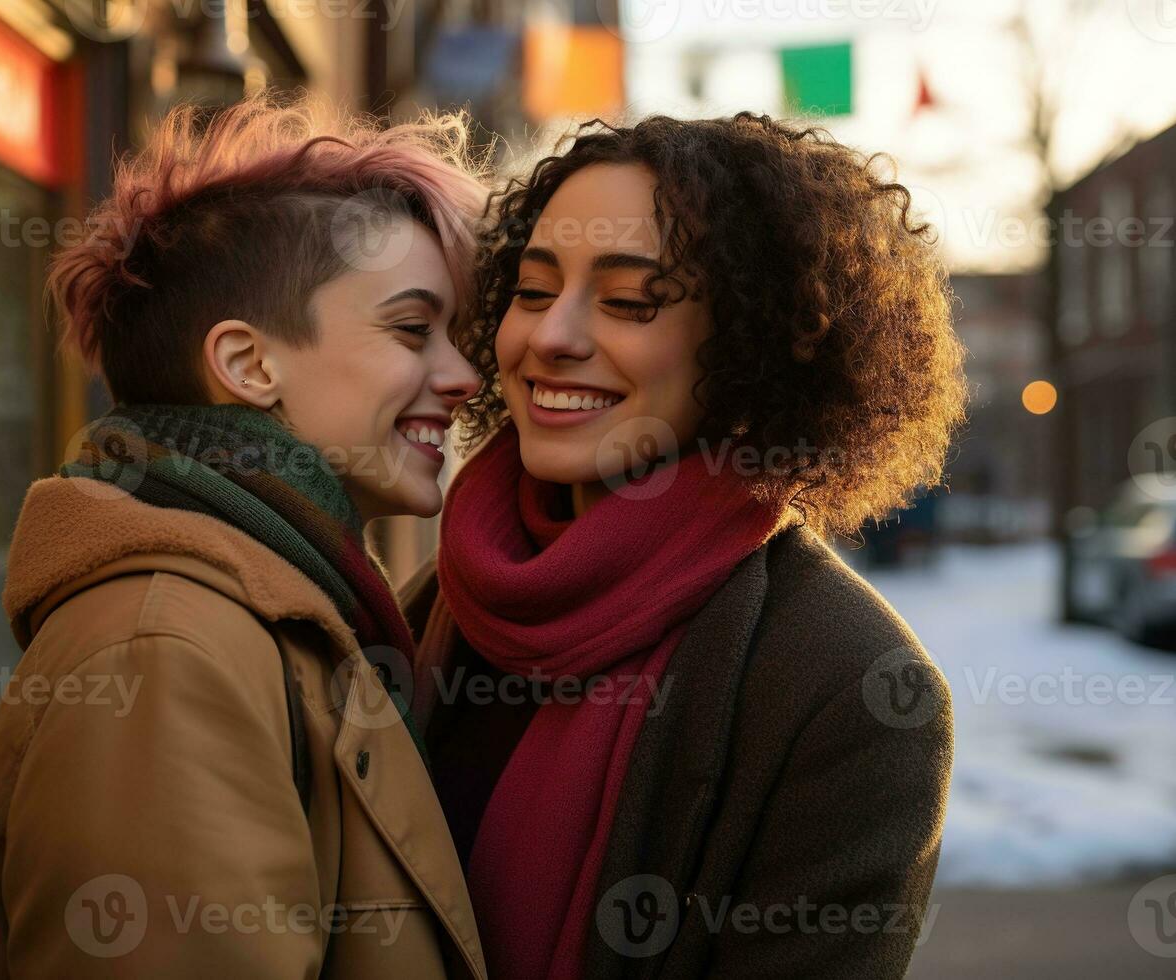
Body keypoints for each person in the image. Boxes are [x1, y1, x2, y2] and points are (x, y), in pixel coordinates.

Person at [401, 112, 968, 979]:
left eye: (631, 302)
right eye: (532, 288)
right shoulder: (432, 606)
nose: (552, 337)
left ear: (753, 346)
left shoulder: (852, 691)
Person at [0, 95, 491, 978]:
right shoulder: (165, 651)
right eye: (412, 329)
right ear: (247, 365)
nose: (463, 376)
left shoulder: (263, 607)